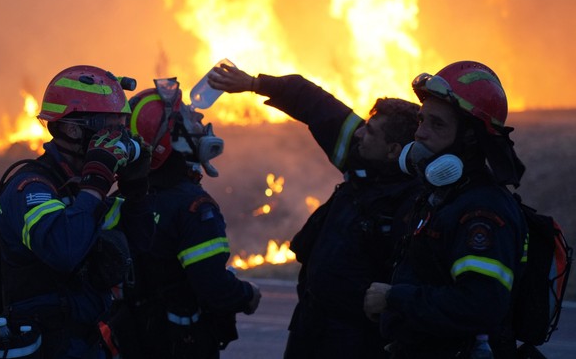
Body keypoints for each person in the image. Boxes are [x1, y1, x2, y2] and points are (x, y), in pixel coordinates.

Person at [207, 63, 422, 359]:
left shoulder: (413, 203)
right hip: (310, 325)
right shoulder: (360, 157)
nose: (359, 134)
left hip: (357, 339)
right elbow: (312, 100)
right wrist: (254, 84)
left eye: (370, 131)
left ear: (393, 150)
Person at [363, 60, 527, 358]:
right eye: (421, 120)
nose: (419, 134)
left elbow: (480, 305)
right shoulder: (443, 197)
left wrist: (395, 298)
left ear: (470, 136)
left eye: (436, 124)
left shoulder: (482, 211)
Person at [0, 64, 146, 358]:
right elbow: (64, 250)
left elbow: (141, 245)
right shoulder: (31, 187)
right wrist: (96, 181)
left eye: (122, 126)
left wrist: (137, 188)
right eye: (109, 127)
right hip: (45, 345)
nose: (119, 137)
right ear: (73, 129)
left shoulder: (80, 186)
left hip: (83, 340)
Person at [114, 78, 262, 358]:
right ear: (173, 140)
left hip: (135, 338)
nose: (200, 120)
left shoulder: (124, 198)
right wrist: (247, 294)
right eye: (188, 118)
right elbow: (213, 286)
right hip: (181, 343)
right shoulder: (194, 208)